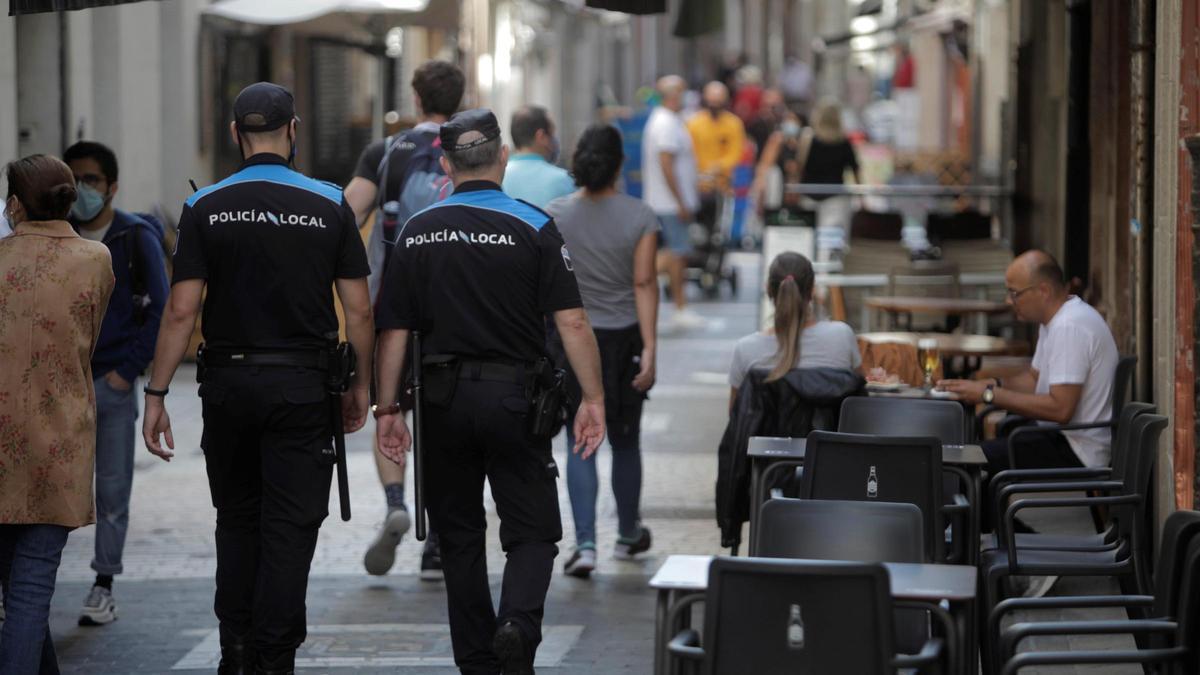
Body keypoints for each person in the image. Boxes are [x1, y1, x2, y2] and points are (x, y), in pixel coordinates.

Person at [141, 82, 374, 675]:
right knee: (292, 529)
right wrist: (362, 387)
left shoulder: (205, 206)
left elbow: (180, 310)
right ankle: (274, 658)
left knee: (237, 520)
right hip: (302, 389)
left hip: (229, 387)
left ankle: (235, 648)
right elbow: (361, 310)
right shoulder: (329, 203)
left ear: (234, 134)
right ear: (293, 130)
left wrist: (157, 392)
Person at [373, 109, 606, 675]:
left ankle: (477, 660)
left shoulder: (417, 230)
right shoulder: (534, 226)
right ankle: (518, 626)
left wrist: (387, 409)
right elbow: (572, 323)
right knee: (532, 530)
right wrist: (592, 401)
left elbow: (394, 331)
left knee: (458, 536)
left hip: (442, 402)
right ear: (502, 157)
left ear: (446, 165)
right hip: (516, 402)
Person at [344, 60, 464, 580]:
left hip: (392, 302)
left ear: (416, 99)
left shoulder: (385, 151)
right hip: (454, 308)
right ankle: (437, 541)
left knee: (387, 406)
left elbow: (347, 213)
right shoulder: (468, 147)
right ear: (459, 99)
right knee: (444, 424)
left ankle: (396, 499)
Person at [0, 155, 115, 673]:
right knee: (28, 594)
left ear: (15, 204)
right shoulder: (95, 259)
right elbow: (87, 339)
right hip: (59, 444)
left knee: (17, 596)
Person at [62, 140, 170, 627]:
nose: (83, 190)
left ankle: (104, 583)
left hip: (111, 383)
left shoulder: (133, 236)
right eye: (74, 180)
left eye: (92, 181)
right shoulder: (58, 235)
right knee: (52, 488)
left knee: (111, 489)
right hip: (61, 387)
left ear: (112, 187)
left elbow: (163, 310)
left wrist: (127, 372)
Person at [545, 124, 659, 579]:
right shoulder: (641, 216)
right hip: (624, 339)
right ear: (619, 165)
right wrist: (651, 345)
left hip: (572, 342)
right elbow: (644, 283)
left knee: (580, 442)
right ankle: (629, 533)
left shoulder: (554, 215)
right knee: (625, 440)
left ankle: (586, 543)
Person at [939, 251, 1119, 514]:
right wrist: (993, 382)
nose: (1010, 301)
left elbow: (1060, 409)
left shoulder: (1070, 327)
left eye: (1015, 293)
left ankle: (988, 540)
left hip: (1078, 450)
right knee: (987, 444)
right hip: (1065, 437)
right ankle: (1000, 532)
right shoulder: (1056, 320)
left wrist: (989, 395)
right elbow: (1035, 380)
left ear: (1043, 290)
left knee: (972, 461)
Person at [728, 252, 861, 405]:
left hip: (769, 430)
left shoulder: (746, 349)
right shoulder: (842, 335)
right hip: (830, 429)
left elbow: (738, 418)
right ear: (812, 290)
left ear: (769, 290)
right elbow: (858, 397)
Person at [641, 75, 703, 330]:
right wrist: (680, 201)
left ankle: (679, 304)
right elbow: (667, 163)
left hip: (667, 200)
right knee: (677, 254)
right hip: (668, 202)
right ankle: (680, 306)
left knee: (676, 252)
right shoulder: (665, 123)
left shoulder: (668, 121)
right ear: (673, 95)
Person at [802, 98, 860, 259]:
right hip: (836, 197)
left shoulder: (809, 140)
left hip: (809, 194)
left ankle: (812, 273)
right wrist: (861, 194)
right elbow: (855, 169)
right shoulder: (844, 142)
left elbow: (800, 166)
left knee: (810, 240)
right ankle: (830, 276)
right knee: (832, 241)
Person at [687, 81, 747, 219]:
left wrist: (717, 167)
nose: (714, 104)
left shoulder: (734, 124)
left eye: (718, 101)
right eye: (711, 100)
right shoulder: (694, 123)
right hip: (698, 185)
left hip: (724, 186)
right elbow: (689, 151)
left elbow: (736, 153)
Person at [501, 105, 575, 208]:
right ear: (541, 136)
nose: (555, 140)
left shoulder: (499, 179)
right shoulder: (565, 181)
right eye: (552, 134)